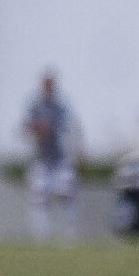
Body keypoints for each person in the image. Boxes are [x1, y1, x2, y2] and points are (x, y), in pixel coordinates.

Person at [23, 71, 82, 244]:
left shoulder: (61, 107)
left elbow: (68, 129)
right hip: (41, 158)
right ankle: (41, 236)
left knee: (65, 194)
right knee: (39, 197)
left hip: (60, 158)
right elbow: (26, 127)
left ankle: (70, 232)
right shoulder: (35, 106)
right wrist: (36, 129)